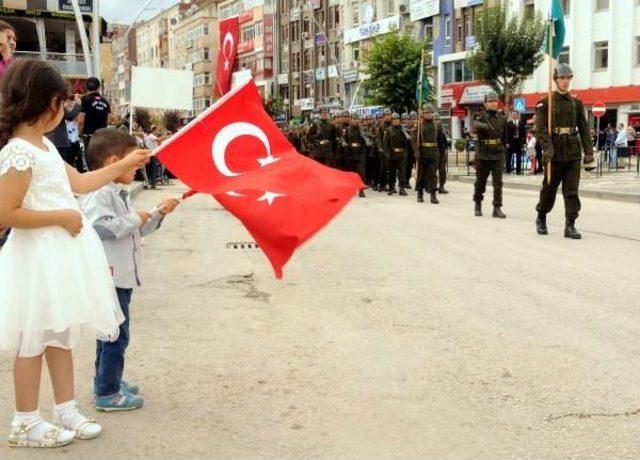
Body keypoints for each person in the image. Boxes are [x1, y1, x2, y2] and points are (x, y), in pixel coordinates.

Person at [0, 59, 149, 448]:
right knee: (32, 341)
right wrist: (62, 217)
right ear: (47, 104)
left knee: (60, 336)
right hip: (36, 260)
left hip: (57, 259)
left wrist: (128, 162)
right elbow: (5, 212)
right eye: (63, 103)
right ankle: (25, 421)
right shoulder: (18, 153)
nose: (66, 110)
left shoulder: (45, 146)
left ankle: (65, 408)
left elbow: (81, 182)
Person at [81, 128, 179, 411]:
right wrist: (134, 219)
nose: (138, 169)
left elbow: (133, 230)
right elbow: (99, 229)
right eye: (133, 163)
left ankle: (107, 380)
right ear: (114, 162)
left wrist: (158, 213)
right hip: (111, 276)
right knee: (116, 336)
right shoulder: (99, 194)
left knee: (109, 333)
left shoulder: (116, 192)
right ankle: (107, 392)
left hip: (120, 275)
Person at [535, 64, 593, 239]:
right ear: (555, 80)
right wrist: (548, 148)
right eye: (562, 78)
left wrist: (588, 152)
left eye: (568, 78)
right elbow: (540, 128)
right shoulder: (546, 103)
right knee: (549, 189)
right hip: (554, 153)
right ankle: (541, 217)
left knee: (572, 191)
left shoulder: (576, 103)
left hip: (573, 152)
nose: (565, 81)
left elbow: (584, 128)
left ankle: (570, 225)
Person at [473, 92, 508, 218]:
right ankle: (478, 204)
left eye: (495, 101)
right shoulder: (481, 116)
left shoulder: (502, 118)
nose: (493, 103)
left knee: (498, 183)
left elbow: (505, 138)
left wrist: (504, 152)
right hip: (483, 154)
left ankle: (497, 207)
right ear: (485, 103)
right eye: (490, 101)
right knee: (480, 182)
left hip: (498, 154)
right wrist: (484, 126)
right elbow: (475, 126)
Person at [413, 104, 442, 204]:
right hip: (423, 152)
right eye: (426, 113)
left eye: (430, 112)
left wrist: (441, 154)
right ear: (423, 114)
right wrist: (416, 151)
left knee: (433, 174)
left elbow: (440, 140)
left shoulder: (436, 125)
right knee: (421, 174)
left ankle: (433, 195)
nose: (429, 114)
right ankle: (420, 193)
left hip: (434, 152)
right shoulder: (419, 125)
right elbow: (414, 140)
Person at [78, 77, 111, 160]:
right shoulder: (106, 102)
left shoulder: (84, 100)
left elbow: (81, 121)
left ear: (87, 87)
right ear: (99, 87)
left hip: (89, 136)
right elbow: (108, 121)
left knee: (89, 161)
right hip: (102, 136)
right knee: (99, 161)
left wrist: (79, 134)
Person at [47, 94, 81, 170]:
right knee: (61, 165)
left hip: (47, 138)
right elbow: (70, 116)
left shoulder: (43, 105)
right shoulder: (57, 105)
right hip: (60, 140)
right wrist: (77, 105)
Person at [383, 112, 408, 196]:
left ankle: (402, 188)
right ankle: (391, 187)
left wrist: (405, 153)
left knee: (402, 172)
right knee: (391, 173)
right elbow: (385, 144)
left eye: (397, 119)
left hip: (401, 154)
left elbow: (407, 142)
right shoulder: (388, 130)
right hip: (392, 154)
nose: (396, 120)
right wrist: (387, 155)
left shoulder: (403, 129)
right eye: (394, 119)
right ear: (391, 121)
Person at [342, 114, 367, 198]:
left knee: (361, 172)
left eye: (356, 119)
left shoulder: (362, 130)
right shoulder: (348, 130)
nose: (355, 121)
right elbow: (344, 139)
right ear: (351, 120)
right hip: (350, 153)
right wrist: (345, 145)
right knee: (350, 172)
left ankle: (361, 190)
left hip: (360, 153)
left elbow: (365, 141)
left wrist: (362, 153)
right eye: (353, 119)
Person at [434, 113, 449, 194]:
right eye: (435, 120)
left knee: (442, 171)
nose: (437, 122)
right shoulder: (432, 129)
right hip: (434, 152)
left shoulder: (442, 129)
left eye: (438, 120)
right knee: (432, 171)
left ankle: (441, 186)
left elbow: (444, 141)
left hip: (442, 152)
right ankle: (432, 186)